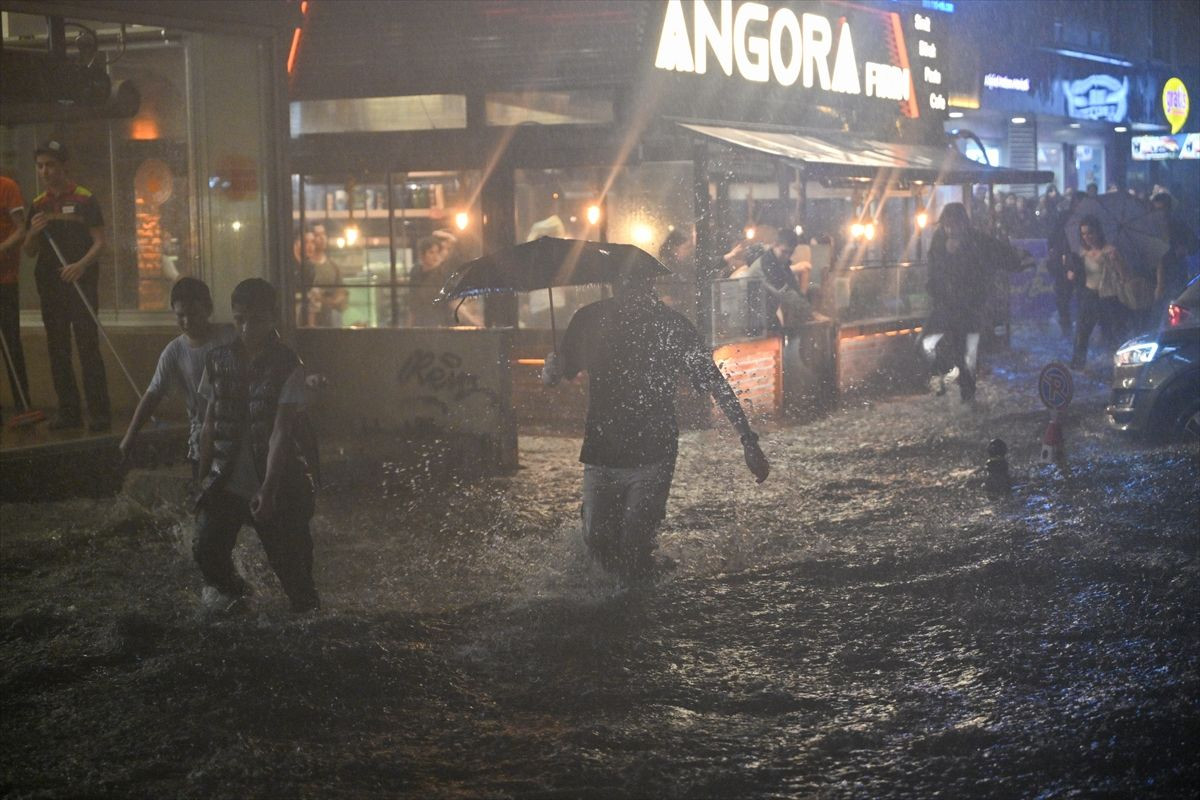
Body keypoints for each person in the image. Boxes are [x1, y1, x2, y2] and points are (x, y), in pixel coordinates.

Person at [541, 266, 770, 582]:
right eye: (623, 284)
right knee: (596, 540)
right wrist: (549, 371)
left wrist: (748, 439)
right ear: (615, 286)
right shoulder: (589, 319)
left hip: (653, 453)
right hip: (601, 451)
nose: (629, 292)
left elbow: (715, 382)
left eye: (634, 285)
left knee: (634, 547)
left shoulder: (671, 327)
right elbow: (561, 371)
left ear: (646, 285)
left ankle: (637, 607)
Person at [194, 278, 320, 613]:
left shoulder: (288, 364)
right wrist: (202, 478)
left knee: (298, 582)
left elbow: (281, 431)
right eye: (240, 319)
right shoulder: (218, 360)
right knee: (207, 552)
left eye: (257, 320)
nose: (248, 328)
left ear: (273, 318)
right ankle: (240, 597)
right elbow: (210, 423)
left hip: (281, 485)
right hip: (226, 479)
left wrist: (269, 487)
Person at [21, 140, 111, 431]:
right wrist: (33, 232)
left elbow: (100, 242)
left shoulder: (85, 199)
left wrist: (80, 265)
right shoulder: (38, 204)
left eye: (50, 165)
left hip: (81, 282)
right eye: (40, 166)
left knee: (87, 347)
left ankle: (99, 414)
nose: (45, 171)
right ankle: (69, 412)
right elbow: (29, 250)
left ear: (63, 166)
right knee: (57, 348)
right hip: (50, 285)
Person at [119, 278, 233, 473]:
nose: (187, 322)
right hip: (201, 435)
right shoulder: (174, 352)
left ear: (208, 309)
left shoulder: (228, 338)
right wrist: (129, 437)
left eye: (194, 314)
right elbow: (152, 395)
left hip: (233, 431)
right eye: (181, 315)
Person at [920, 203, 1021, 402]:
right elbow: (934, 270)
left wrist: (1018, 262)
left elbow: (1006, 256)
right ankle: (940, 379)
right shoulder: (939, 240)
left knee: (967, 357)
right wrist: (934, 290)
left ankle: (968, 400)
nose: (950, 230)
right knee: (924, 344)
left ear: (964, 224)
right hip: (945, 305)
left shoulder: (979, 241)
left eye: (954, 226)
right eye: (946, 226)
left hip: (971, 308)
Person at [1071, 215, 1130, 369]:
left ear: (1098, 232)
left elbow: (1123, 275)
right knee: (1082, 332)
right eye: (1083, 234)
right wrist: (1071, 272)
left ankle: (1120, 365)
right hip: (1089, 295)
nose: (1087, 237)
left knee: (1112, 333)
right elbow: (1080, 274)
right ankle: (1078, 365)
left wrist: (1115, 261)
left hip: (1108, 297)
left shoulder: (1109, 251)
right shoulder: (1083, 253)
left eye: (1090, 233)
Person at [0, 173, 31, 420]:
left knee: (11, 341)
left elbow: (21, 230)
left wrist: (1, 249)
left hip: (5, 279)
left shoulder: (7, 187)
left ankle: (23, 404)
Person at [1151, 192, 1199, 307]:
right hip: (1153, 275)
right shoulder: (1149, 228)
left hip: (1175, 272)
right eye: (1156, 209)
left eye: (1162, 209)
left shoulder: (1179, 226)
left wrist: (1185, 250)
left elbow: (1195, 244)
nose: (1159, 213)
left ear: (1169, 209)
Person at [1045, 193, 1082, 338]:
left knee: (1083, 298)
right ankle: (1066, 327)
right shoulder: (1064, 217)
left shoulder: (1087, 218)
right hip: (1064, 262)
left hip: (1080, 263)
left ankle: (1079, 327)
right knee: (1063, 297)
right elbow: (1054, 238)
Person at [302, 223, 347, 327]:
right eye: (317, 235)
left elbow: (342, 294)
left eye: (324, 234)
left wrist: (325, 301)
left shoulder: (333, 266)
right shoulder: (304, 266)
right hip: (308, 320)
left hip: (331, 318)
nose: (322, 238)